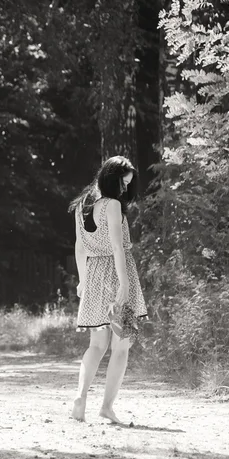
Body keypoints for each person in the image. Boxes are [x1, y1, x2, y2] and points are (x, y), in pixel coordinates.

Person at [68, 156, 147, 424]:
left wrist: (82, 281)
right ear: (112, 179)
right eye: (123, 183)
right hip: (116, 275)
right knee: (121, 346)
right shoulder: (111, 205)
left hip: (93, 275)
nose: (125, 189)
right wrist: (124, 283)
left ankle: (80, 398)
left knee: (96, 345)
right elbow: (116, 247)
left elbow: (79, 247)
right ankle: (107, 407)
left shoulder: (82, 205)